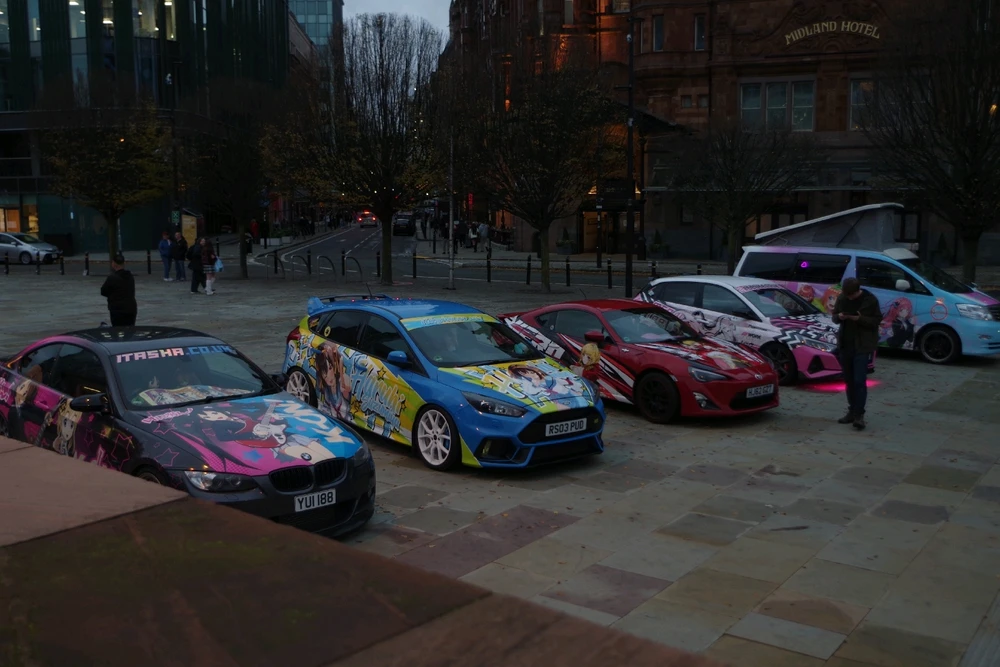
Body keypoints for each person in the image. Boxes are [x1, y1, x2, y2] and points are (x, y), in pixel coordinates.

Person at [831, 277, 882, 430]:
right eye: (846, 295)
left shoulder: (870, 300)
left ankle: (859, 414)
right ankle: (852, 411)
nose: (848, 298)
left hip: (862, 346)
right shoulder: (842, 298)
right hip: (845, 345)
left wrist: (859, 319)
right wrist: (839, 317)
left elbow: (876, 320)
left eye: (851, 295)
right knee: (848, 380)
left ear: (857, 291)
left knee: (859, 380)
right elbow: (834, 317)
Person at [100, 253, 137, 326]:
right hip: (131, 308)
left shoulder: (112, 278)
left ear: (114, 264)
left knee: (118, 330)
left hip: (117, 309)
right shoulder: (130, 276)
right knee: (130, 330)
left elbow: (103, 291)